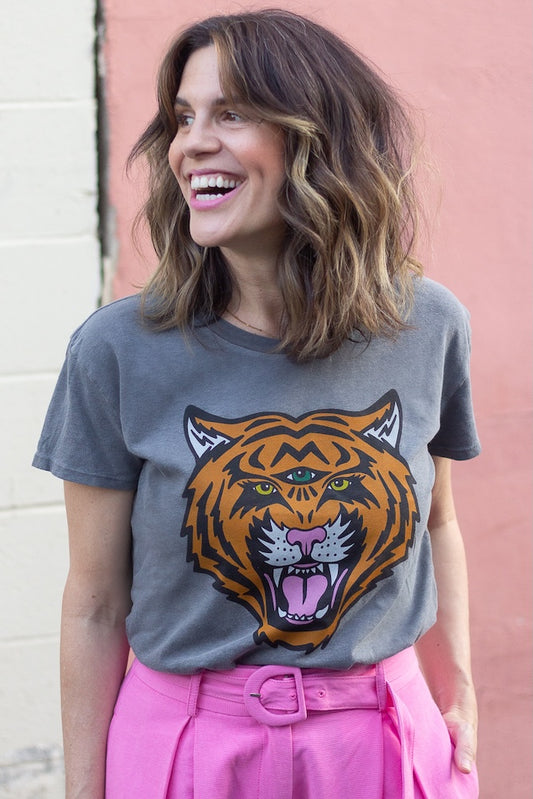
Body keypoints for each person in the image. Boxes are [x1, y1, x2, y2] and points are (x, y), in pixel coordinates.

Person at [33, 9, 480, 799]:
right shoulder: (117, 350)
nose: (190, 143)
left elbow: (435, 519)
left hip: (381, 734)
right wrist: (83, 789)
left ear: (317, 138)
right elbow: (96, 602)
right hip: (188, 747)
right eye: (181, 119)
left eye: (229, 113)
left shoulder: (426, 324)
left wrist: (459, 689)